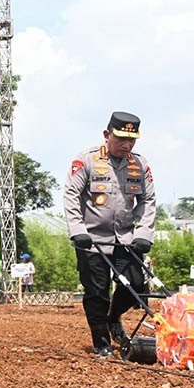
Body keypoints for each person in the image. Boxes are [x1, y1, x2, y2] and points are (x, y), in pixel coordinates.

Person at [64, 111, 155, 357]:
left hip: (125, 240)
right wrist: (78, 230)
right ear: (107, 135)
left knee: (136, 284)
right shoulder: (87, 160)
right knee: (97, 291)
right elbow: (71, 196)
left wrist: (143, 233)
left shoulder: (139, 164)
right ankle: (101, 341)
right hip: (91, 241)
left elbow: (147, 201)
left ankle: (114, 318)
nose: (127, 145)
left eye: (132, 140)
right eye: (121, 139)